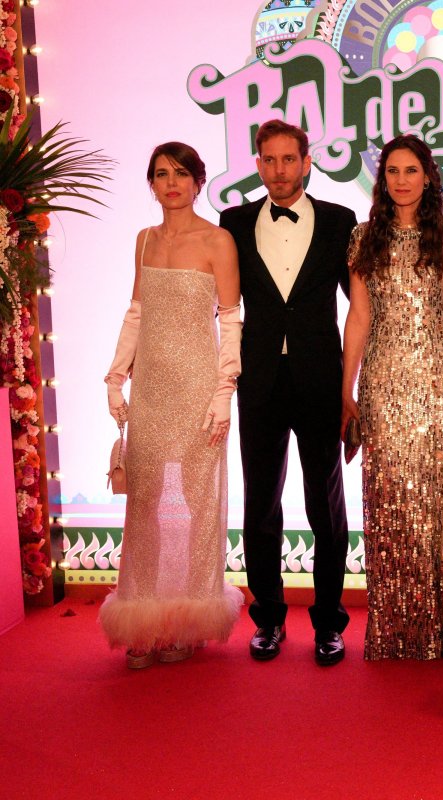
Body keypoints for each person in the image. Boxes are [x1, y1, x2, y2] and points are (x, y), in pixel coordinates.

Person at [100, 142, 243, 668]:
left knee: (191, 507)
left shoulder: (218, 240)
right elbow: (137, 312)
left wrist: (223, 393)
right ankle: (143, 617)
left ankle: (183, 621)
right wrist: (117, 378)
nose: (171, 183)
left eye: (181, 173)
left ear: (198, 181)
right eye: (161, 174)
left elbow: (230, 318)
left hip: (198, 389)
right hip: (152, 390)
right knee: (145, 507)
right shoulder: (143, 241)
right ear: (152, 184)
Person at [219, 119, 357, 666]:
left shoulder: (341, 221)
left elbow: (361, 306)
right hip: (259, 382)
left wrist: (356, 383)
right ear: (258, 164)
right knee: (260, 504)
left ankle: (329, 624)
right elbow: (222, 300)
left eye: (287, 159)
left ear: (307, 161)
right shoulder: (231, 222)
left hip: (321, 381)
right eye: (268, 160)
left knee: (326, 506)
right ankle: (269, 620)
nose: (278, 170)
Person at [342, 134, 443, 660]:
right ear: (383, 179)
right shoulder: (363, 238)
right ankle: (395, 627)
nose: (401, 180)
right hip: (384, 384)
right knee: (392, 502)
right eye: (392, 171)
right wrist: (346, 389)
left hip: (441, 384)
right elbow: (358, 317)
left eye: (411, 170)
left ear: (429, 177)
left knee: (441, 505)